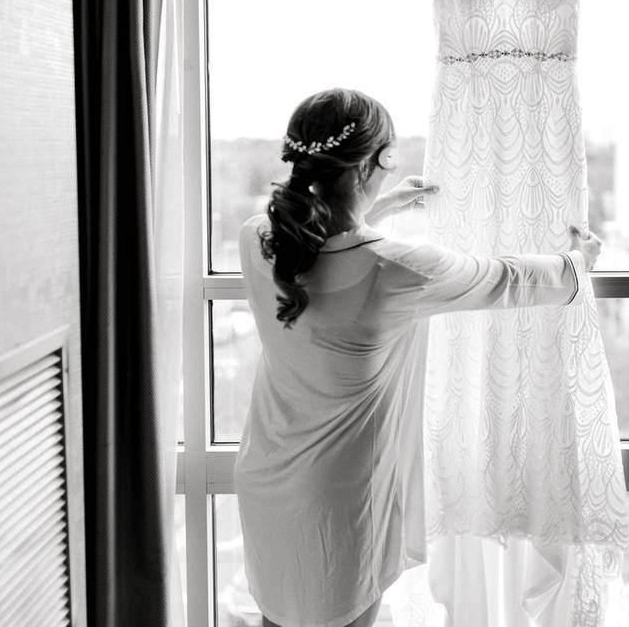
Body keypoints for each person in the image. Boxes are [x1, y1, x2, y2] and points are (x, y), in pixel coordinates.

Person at [233, 88, 602, 627]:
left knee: (277, 618)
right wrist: (577, 261)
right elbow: (503, 277)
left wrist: (378, 205)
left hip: (267, 476)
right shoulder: (396, 267)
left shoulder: (259, 240)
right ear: (381, 159)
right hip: (338, 498)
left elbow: (325, 241)